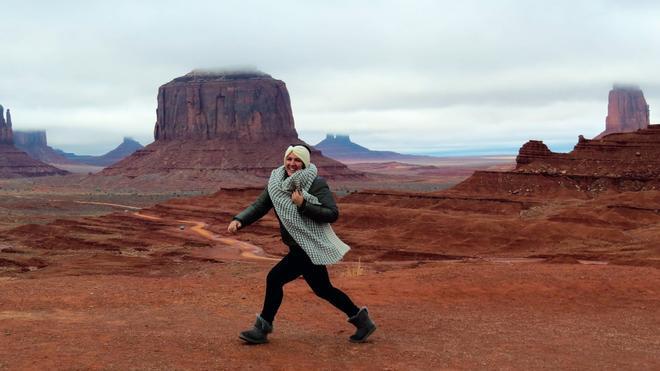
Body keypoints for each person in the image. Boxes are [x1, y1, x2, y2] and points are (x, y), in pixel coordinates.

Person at [228, 144, 376, 344]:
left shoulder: (316, 183)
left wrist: (303, 205)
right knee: (323, 289)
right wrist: (240, 220)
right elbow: (260, 205)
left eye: (297, 160)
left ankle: (261, 329)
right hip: (298, 246)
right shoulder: (275, 182)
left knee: (274, 279)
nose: (292, 163)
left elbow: (332, 214)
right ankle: (362, 321)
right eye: (289, 159)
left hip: (308, 246)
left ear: (305, 163)